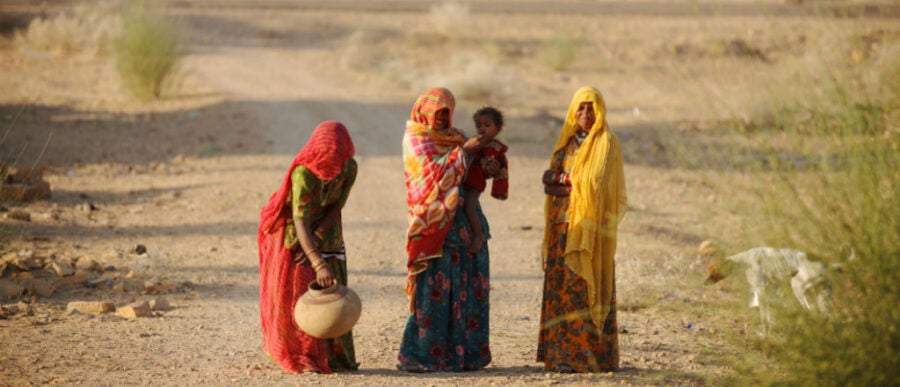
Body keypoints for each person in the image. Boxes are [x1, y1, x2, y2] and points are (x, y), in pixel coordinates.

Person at [397, 87, 493, 372]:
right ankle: (420, 355)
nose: (440, 118)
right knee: (433, 292)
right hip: (434, 230)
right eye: (436, 113)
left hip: (464, 223)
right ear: (423, 112)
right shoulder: (416, 140)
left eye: (445, 112)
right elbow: (431, 178)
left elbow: (469, 174)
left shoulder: (455, 137)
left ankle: (464, 356)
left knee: (469, 287)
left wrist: (483, 162)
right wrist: (464, 152)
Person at [536, 86, 627, 373]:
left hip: (591, 232)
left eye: (591, 108)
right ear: (572, 112)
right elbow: (548, 183)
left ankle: (589, 357)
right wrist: (569, 181)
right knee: (561, 290)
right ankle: (560, 356)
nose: (585, 114)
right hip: (562, 228)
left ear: (600, 111)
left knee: (585, 289)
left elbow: (599, 187)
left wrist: (564, 182)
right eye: (580, 108)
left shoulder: (608, 145)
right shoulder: (565, 145)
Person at [257, 120, 359, 374]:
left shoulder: (349, 167)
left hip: (326, 228)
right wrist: (316, 258)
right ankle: (302, 355)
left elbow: (337, 205)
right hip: (294, 231)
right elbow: (299, 217)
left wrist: (319, 237)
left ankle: (334, 358)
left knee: (333, 291)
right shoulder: (303, 173)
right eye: (327, 155)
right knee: (298, 292)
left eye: (337, 155)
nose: (331, 162)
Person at [462, 106, 509, 254]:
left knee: (469, 207)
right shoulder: (475, 141)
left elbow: (501, 171)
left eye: (487, 125)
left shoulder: (495, 148)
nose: (482, 129)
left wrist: (499, 191)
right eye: (479, 125)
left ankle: (478, 236)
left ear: (498, 128)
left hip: (475, 182)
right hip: (464, 179)